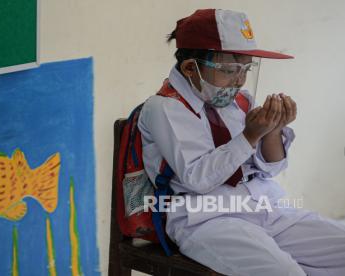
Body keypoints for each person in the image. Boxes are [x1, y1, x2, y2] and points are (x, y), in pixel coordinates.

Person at [138, 9, 345, 276]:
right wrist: (249, 136)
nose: (239, 80)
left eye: (246, 69)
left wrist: (272, 130)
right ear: (190, 68)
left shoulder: (239, 100)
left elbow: (270, 169)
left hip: (265, 206)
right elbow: (197, 179)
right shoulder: (165, 107)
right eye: (229, 70)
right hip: (208, 219)